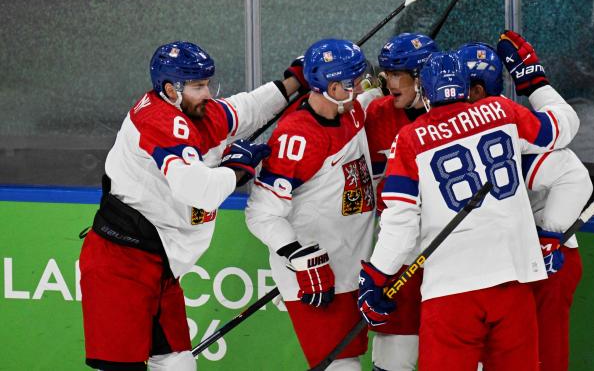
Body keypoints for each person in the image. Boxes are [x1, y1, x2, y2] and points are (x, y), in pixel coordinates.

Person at [358, 31, 580, 371]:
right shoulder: (502, 112)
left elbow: (400, 225)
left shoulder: (411, 139)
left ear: (425, 92)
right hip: (513, 281)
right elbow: (564, 127)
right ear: (467, 88)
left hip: (451, 288)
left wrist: (376, 275)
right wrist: (532, 80)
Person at [79, 40, 302, 371]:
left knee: (177, 363)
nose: (208, 93)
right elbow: (197, 190)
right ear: (170, 89)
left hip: (160, 266)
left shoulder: (197, 110)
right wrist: (237, 170)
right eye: (198, 86)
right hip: (121, 265)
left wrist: (293, 83)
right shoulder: (158, 119)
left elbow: (247, 109)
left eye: (208, 83)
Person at [458, 41, 593, 371]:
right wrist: (533, 82)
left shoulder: (503, 126)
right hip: (504, 257)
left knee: (542, 354)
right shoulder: (466, 121)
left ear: (476, 91)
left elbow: (575, 176)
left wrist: (549, 234)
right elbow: (565, 123)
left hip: (543, 259)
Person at [245, 38, 374, 371]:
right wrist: (299, 257)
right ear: (331, 87)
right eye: (353, 82)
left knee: (353, 358)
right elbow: (261, 213)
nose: (362, 87)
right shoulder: (297, 138)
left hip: (353, 262)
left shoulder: (350, 108)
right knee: (340, 365)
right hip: (318, 271)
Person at [364, 32, 439, 371]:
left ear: (422, 77)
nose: (389, 82)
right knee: (394, 357)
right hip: (399, 250)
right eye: (387, 74)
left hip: (449, 251)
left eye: (397, 75)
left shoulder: (454, 114)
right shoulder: (376, 113)